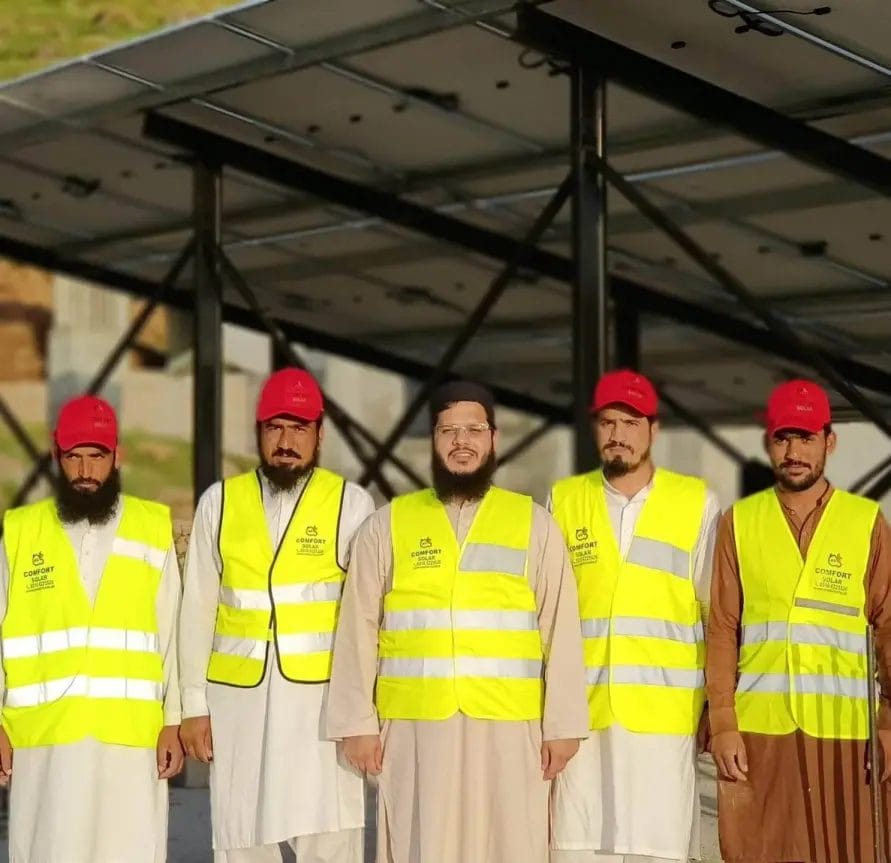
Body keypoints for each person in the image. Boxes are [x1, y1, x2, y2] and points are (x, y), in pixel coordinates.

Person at [326, 380, 589, 863]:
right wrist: (357, 723)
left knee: (511, 844)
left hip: (511, 727)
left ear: (493, 439)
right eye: (448, 431)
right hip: (414, 727)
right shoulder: (388, 524)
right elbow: (358, 626)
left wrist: (565, 724)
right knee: (422, 844)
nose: (461, 442)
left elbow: (561, 627)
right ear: (433, 439)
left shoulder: (532, 523)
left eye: (473, 430)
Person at [178, 367, 375, 863]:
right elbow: (198, 608)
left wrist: (363, 712)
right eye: (275, 428)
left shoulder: (351, 504)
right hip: (237, 708)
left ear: (319, 434)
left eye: (299, 428)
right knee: (243, 837)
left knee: (329, 838)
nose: (286, 441)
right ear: (258, 432)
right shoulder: (218, 504)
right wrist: (193, 706)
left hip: (321, 712)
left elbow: (367, 618)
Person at [708, 378, 891, 863]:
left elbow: (890, 628)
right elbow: (723, 629)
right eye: (783, 437)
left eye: (806, 438)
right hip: (759, 733)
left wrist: (889, 723)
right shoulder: (738, 523)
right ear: (769, 441)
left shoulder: (866, 523)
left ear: (829, 442)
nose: (793, 451)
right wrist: (723, 723)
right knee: (759, 851)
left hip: (847, 734)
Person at [0, 394, 183, 863]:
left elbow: (173, 636)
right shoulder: (21, 532)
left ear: (116, 457)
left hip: (130, 743)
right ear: (57, 458)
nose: (84, 470)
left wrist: (174, 722)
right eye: (73, 457)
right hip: (43, 743)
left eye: (96, 457)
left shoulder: (152, 527)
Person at [549, 369, 721, 863]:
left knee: (658, 851)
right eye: (608, 422)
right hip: (581, 718)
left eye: (631, 421)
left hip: (663, 726)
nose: (618, 434)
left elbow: (717, 614)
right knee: (577, 848)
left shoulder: (695, 503)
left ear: (654, 429)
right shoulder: (564, 501)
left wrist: (716, 705)